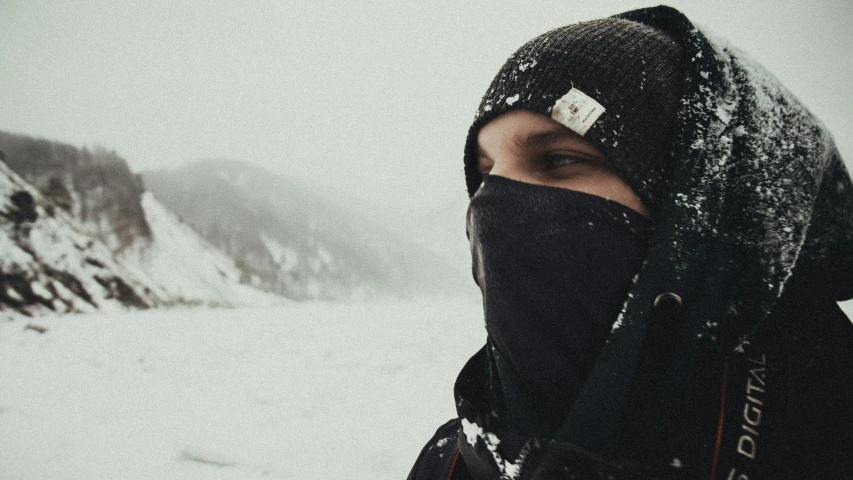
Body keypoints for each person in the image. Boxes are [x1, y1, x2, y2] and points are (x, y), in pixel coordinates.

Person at [408, 5, 853, 480]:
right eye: (486, 172)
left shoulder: (827, 437)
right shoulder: (451, 462)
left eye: (558, 159)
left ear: (700, 204)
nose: (493, 202)